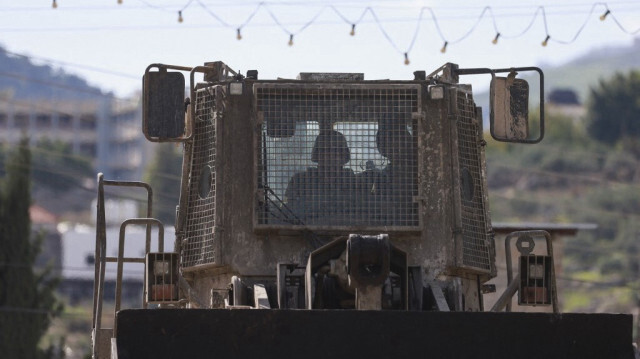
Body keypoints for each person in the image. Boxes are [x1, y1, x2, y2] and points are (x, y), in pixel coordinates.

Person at [285, 129, 356, 224]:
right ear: (317, 155)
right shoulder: (300, 181)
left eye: (336, 151)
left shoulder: (354, 183)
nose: (331, 156)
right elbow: (288, 214)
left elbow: (363, 214)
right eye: (326, 151)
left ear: (344, 156)